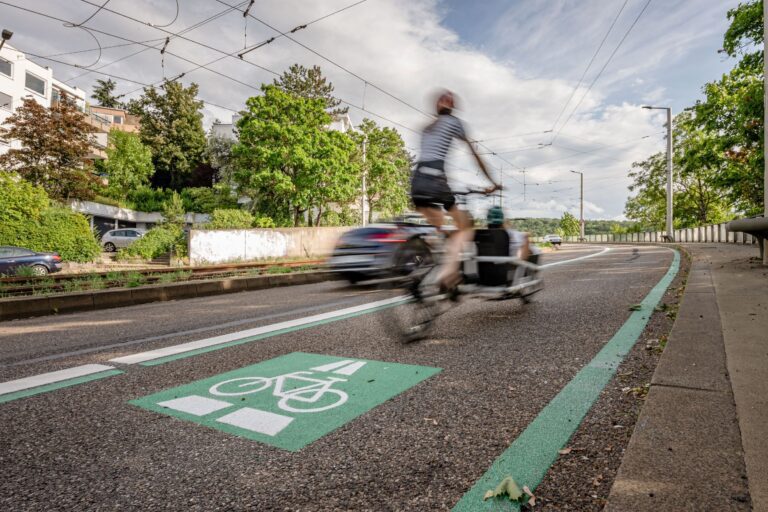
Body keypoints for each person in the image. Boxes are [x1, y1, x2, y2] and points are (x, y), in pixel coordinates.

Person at [410, 90, 501, 290]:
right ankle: (449, 272)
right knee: (465, 226)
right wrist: (492, 182)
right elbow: (475, 156)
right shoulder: (454, 122)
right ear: (452, 107)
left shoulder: (428, 127)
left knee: (439, 225)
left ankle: (428, 256)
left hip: (417, 183)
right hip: (435, 179)